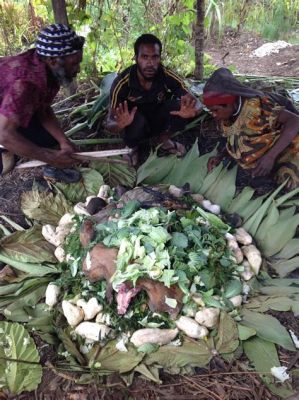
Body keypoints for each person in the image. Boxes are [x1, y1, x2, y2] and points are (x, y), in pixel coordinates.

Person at [0, 23, 85, 179]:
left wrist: (63, 141)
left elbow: (43, 109)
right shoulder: (25, 83)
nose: (78, 69)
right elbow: (4, 133)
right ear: (53, 60)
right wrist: (49, 157)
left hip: (8, 107)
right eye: (74, 63)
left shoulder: (49, 71)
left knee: (49, 138)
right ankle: (5, 151)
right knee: (9, 138)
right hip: (3, 122)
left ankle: (50, 167)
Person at [105, 34, 201, 166]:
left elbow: (196, 102)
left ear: (159, 58)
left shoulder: (166, 74)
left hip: (157, 117)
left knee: (182, 108)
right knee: (136, 121)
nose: (150, 63)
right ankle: (131, 147)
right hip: (135, 123)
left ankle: (163, 139)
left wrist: (193, 112)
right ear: (136, 58)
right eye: (144, 57)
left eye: (154, 57)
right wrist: (119, 125)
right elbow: (109, 122)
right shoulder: (122, 83)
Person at [203, 68, 299, 190]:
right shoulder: (226, 116)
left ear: (229, 103)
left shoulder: (257, 107)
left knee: (288, 184)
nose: (214, 115)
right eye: (211, 111)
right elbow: (234, 137)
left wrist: (270, 157)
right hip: (261, 161)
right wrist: (221, 156)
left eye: (215, 110)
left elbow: (295, 121)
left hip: (287, 151)